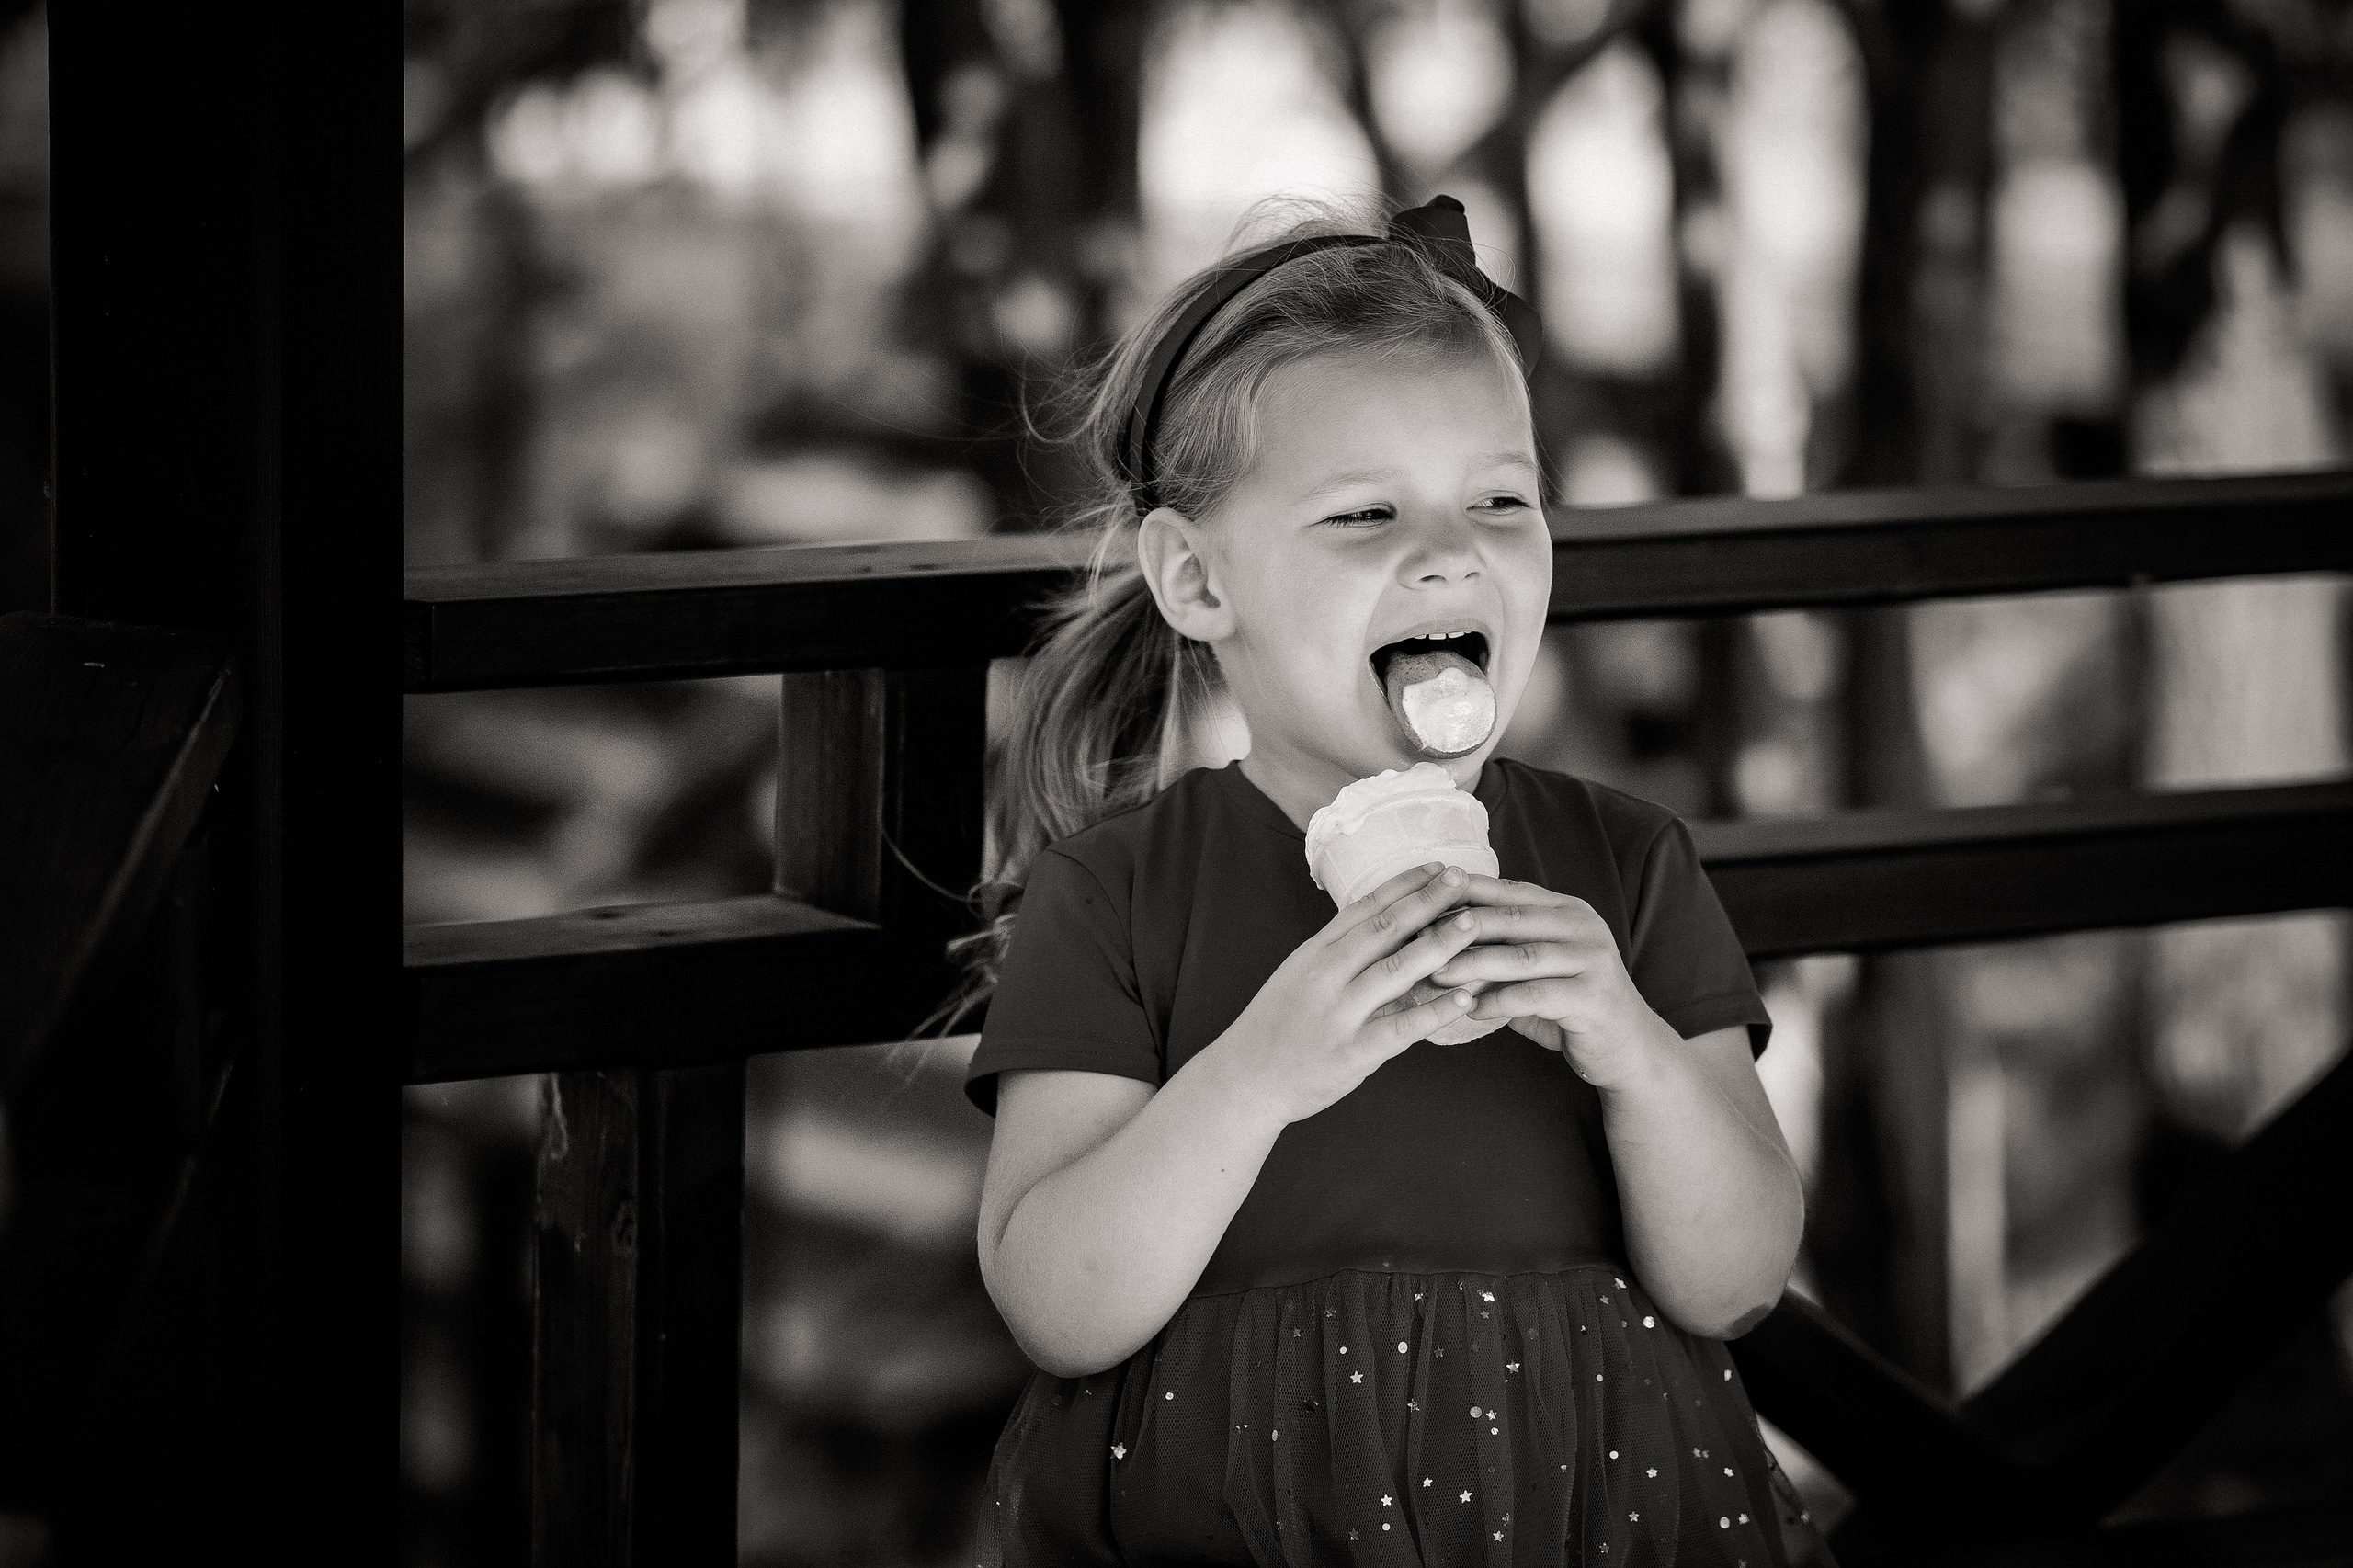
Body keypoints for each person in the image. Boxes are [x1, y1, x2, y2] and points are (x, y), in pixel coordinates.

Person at [954, 195, 1831, 1567]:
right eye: (1366, 511)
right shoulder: (1118, 889)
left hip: (1593, 1517)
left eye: (1501, 499)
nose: (1452, 552)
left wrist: (1634, 1050)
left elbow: (1735, 1280)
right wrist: (1257, 1072)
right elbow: (1057, 1302)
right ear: (1195, 582)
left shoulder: (1622, 867)